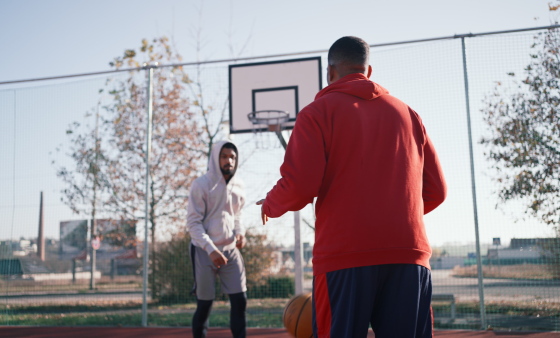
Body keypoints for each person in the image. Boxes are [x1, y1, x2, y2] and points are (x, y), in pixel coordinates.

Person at [256, 36, 447, 337]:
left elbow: (301, 184)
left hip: (345, 256)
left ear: (330, 72)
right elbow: (437, 190)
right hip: (409, 255)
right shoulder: (410, 115)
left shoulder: (316, 114)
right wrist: (393, 214)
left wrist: (271, 204)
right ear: (368, 71)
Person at [187, 140, 247, 338]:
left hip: (230, 250)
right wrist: (210, 249)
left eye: (232, 157)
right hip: (204, 251)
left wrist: (240, 232)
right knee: (205, 304)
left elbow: (237, 215)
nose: (229, 160)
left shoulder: (239, 185)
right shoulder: (201, 185)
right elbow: (193, 224)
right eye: (224, 156)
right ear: (215, 158)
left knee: (240, 301)